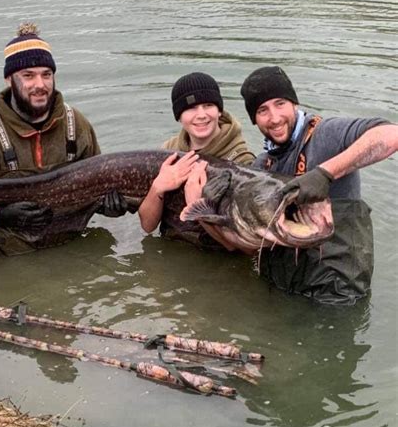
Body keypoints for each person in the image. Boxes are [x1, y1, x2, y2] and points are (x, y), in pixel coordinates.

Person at [203, 65, 397, 304]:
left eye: (280, 104)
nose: (274, 118)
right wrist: (208, 206)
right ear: (254, 119)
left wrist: (325, 173)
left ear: (294, 103)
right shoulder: (263, 166)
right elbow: (249, 246)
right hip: (281, 290)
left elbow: (390, 134)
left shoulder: (326, 135)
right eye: (263, 110)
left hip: (336, 295)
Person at [0, 23, 127, 258]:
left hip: (70, 251)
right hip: (2, 256)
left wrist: (110, 207)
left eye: (47, 74)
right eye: (28, 76)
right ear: (9, 79)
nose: (40, 85)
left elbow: (99, 184)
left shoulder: (77, 124)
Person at [138, 72, 254, 242]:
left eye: (208, 105)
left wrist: (197, 205)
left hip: (217, 257)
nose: (201, 114)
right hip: (171, 248)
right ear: (179, 117)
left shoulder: (242, 162)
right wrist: (157, 188)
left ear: (219, 111)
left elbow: (240, 243)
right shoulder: (167, 152)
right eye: (191, 107)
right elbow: (147, 226)